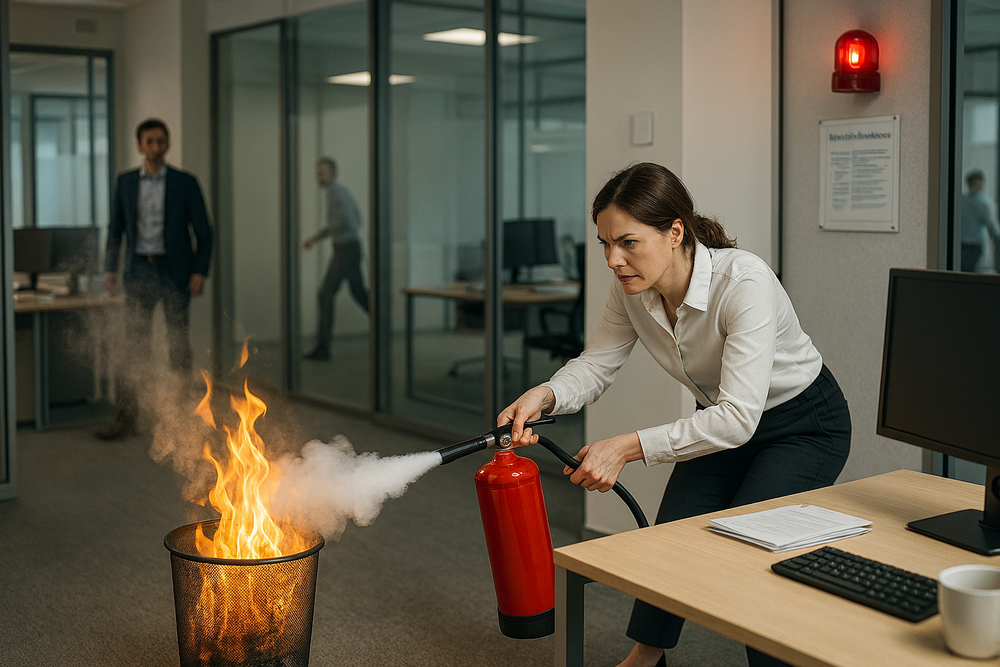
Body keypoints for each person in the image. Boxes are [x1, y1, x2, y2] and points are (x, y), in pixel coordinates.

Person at [498, 162, 852, 667]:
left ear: (675, 232)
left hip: (803, 426)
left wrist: (625, 447)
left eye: (627, 242)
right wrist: (544, 395)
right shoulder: (633, 291)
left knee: (756, 554)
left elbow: (738, 419)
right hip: (724, 417)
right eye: (604, 244)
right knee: (674, 540)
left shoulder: (744, 281)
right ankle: (647, 657)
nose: (613, 260)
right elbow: (596, 365)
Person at [96, 118, 213, 440]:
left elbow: (204, 232)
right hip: (139, 271)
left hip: (174, 272)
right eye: (149, 141)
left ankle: (179, 419)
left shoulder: (185, 182)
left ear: (168, 145)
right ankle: (126, 419)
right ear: (139, 146)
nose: (155, 147)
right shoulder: (125, 183)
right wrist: (109, 268)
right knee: (134, 345)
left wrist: (199, 271)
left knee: (178, 345)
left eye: (161, 141)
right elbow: (116, 229)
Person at [302, 157, 370, 361]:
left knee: (325, 294)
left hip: (345, 250)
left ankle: (323, 348)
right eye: (318, 172)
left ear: (333, 173)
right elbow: (357, 219)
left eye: (323, 172)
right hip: (349, 248)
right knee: (358, 293)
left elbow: (345, 221)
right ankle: (383, 323)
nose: (319, 176)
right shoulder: (340, 192)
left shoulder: (335, 193)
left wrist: (317, 237)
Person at [961, 170, 1000, 273]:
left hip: (962, 242)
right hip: (974, 243)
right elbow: (991, 224)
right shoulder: (984, 202)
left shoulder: (961, 200)